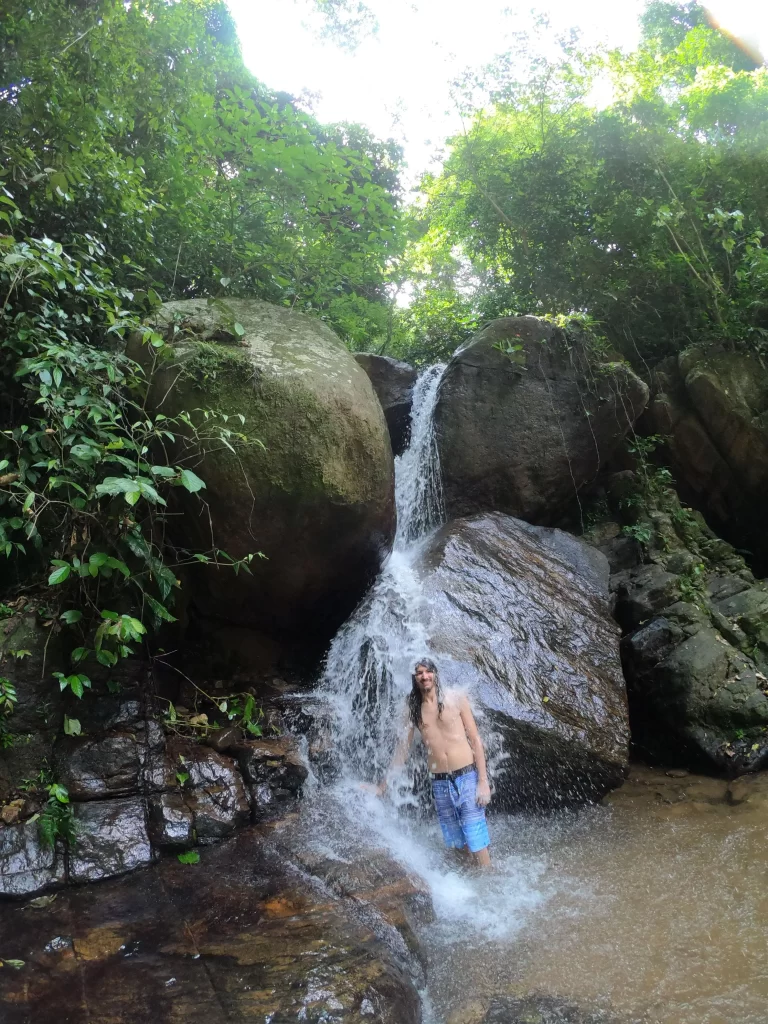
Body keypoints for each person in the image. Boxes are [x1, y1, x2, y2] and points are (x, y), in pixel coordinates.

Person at [378, 658, 491, 867]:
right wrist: (383, 786)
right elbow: (403, 749)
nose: (424, 676)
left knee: (476, 835)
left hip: (466, 775)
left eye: (428, 671)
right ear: (414, 678)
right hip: (440, 782)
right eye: (419, 673)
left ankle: (488, 879)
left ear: (435, 674)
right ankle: (469, 881)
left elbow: (475, 740)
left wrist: (483, 781)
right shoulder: (412, 707)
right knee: (455, 837)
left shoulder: (456, 698)